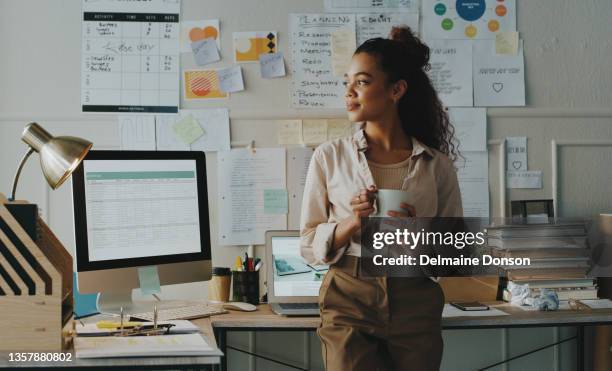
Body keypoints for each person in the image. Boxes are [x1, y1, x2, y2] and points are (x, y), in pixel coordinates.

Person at [300, 26, 463, 371]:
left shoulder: (437, 165)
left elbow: (455, 253)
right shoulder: (329, 157)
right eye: (347, 82)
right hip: (348, 295)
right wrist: (351, 223)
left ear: (396, 90)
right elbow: (308, 243)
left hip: (415, 298)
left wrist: (416, 236)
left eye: (361, 82)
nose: (349, 92)